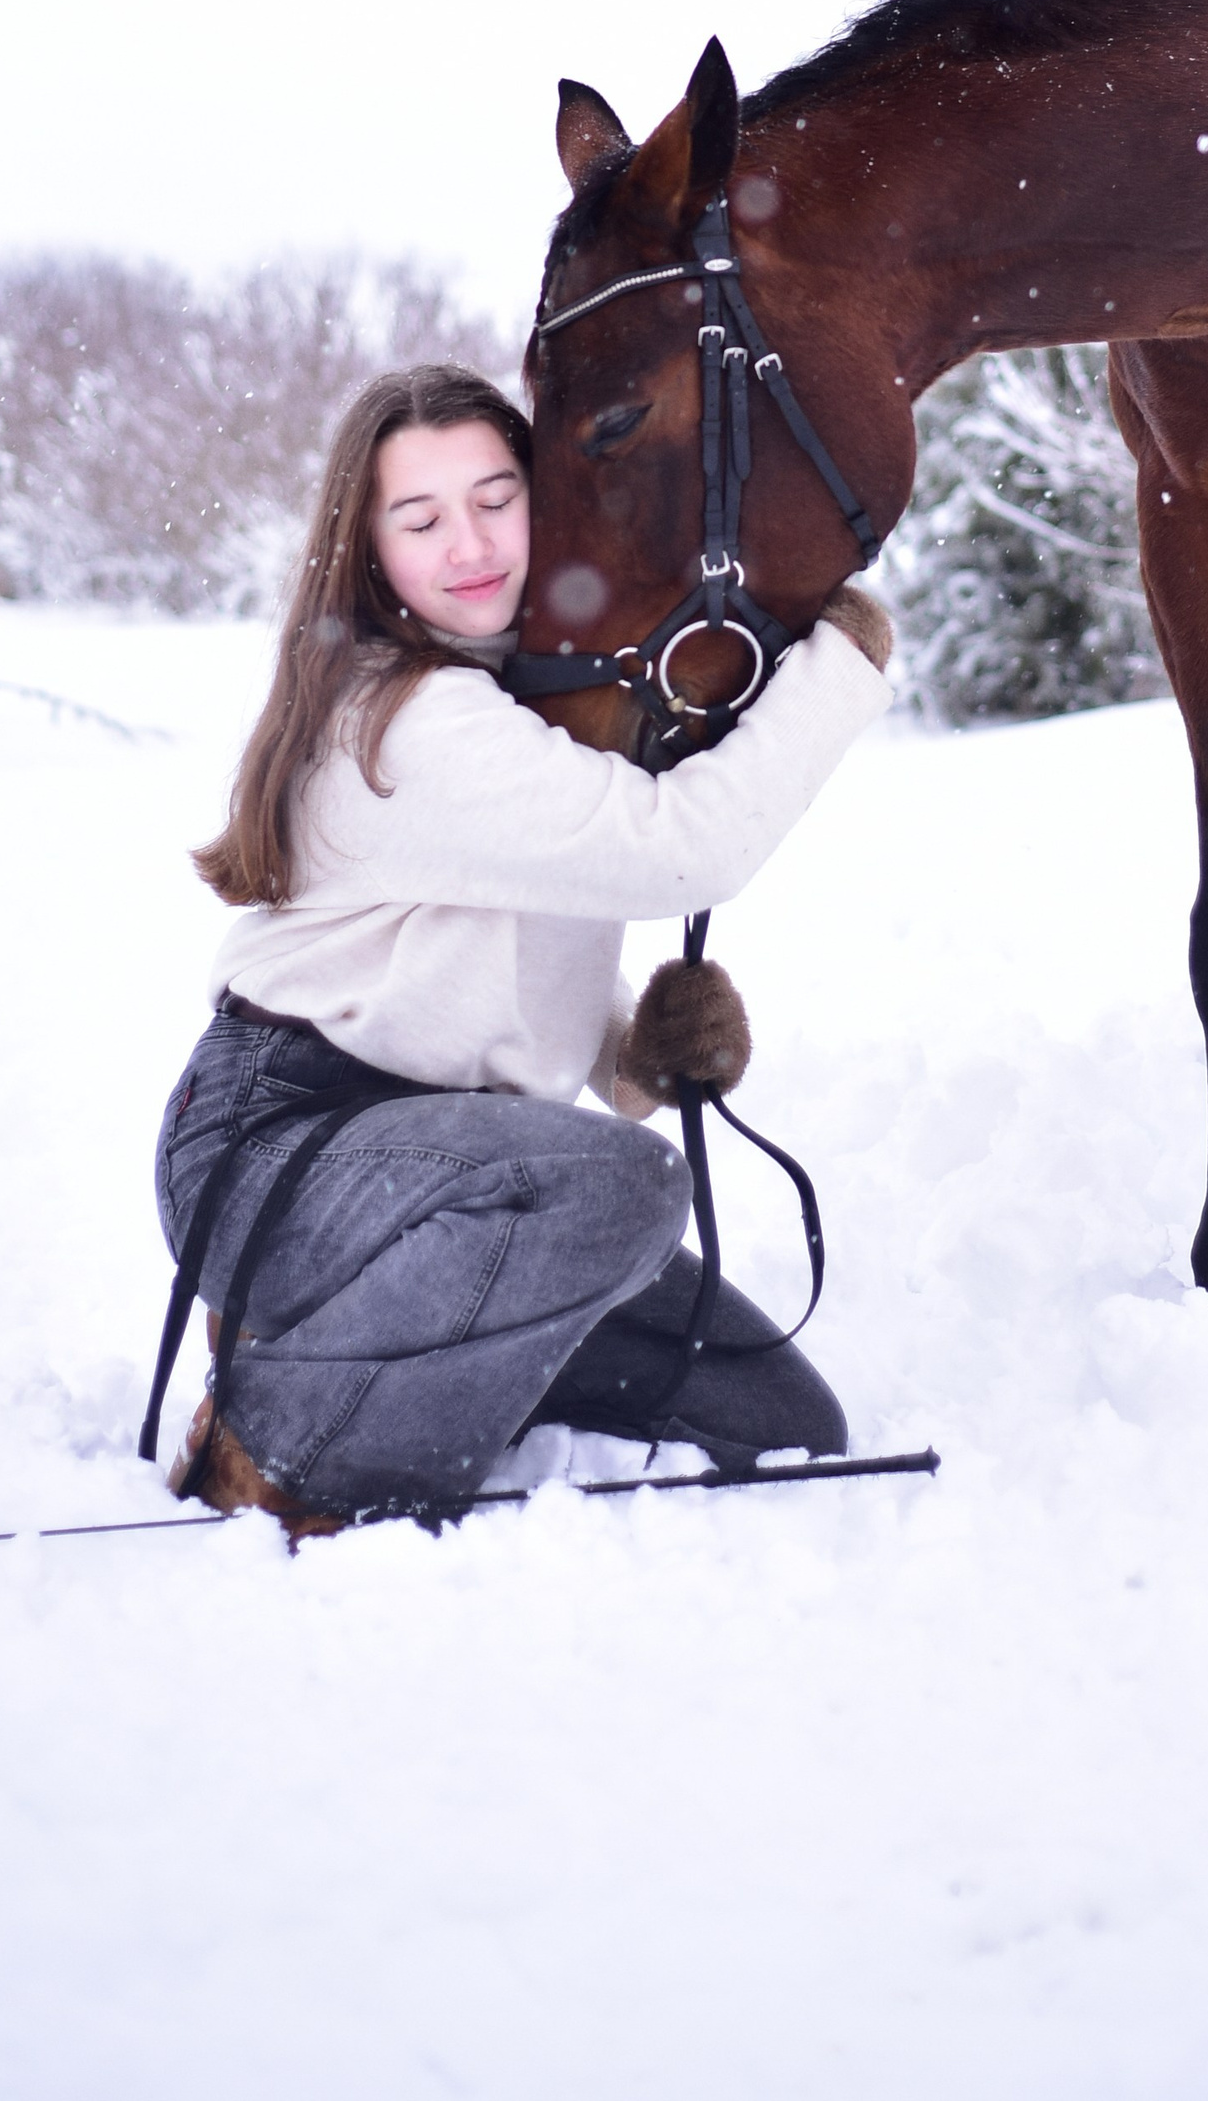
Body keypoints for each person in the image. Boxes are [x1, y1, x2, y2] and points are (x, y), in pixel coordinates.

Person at [154, 359, 893, 1538]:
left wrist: (632, 1053)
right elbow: (679, 852)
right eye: (422, 516)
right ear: (370, 547)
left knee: (771, 1415)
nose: (471, 542)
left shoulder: (510, 694)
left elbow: (483, 950)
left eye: (498, 496)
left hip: (445, 1169)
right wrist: (841, 657)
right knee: (620, 1185)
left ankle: (386, 1361)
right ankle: (281, 1427)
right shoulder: (411, 715)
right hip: (283, 1151)